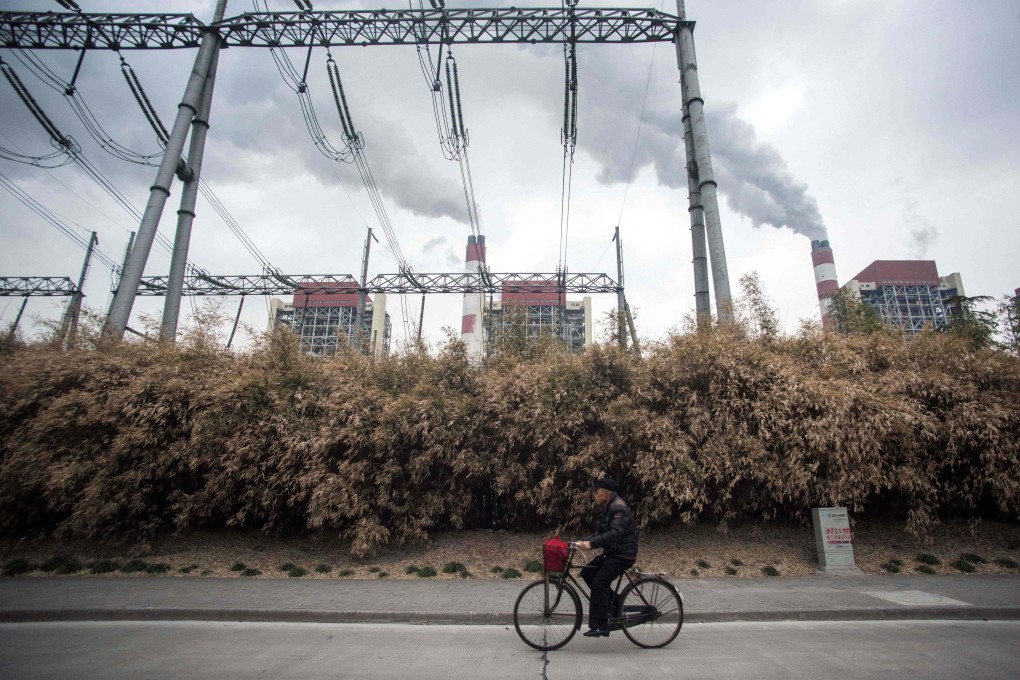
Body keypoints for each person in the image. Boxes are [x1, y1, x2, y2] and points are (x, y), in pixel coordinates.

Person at [576, 476, 638, 638]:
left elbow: (615, 534)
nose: (594, 495)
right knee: (587, 572)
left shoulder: (618, 508)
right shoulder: (607, 507)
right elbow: (601, 533)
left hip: (623, 554)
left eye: (596, 492)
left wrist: (592, 544)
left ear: (606, 492)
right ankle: (614, 602)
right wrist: (584, 541)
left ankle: (600, 626)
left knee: (599, 583)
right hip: (613, 552)